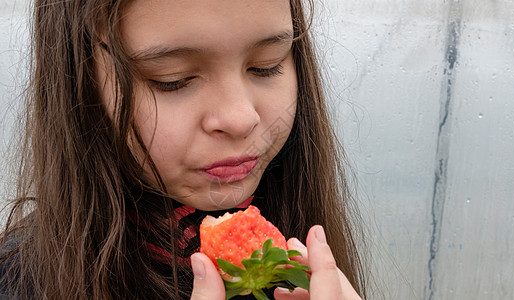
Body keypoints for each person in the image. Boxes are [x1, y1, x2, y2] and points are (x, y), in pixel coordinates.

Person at [0, 0, 367, 299]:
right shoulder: (18, 281)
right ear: (81, 84)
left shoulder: (299, 245)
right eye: (172, 80)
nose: (241, 118)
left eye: (266, 66)